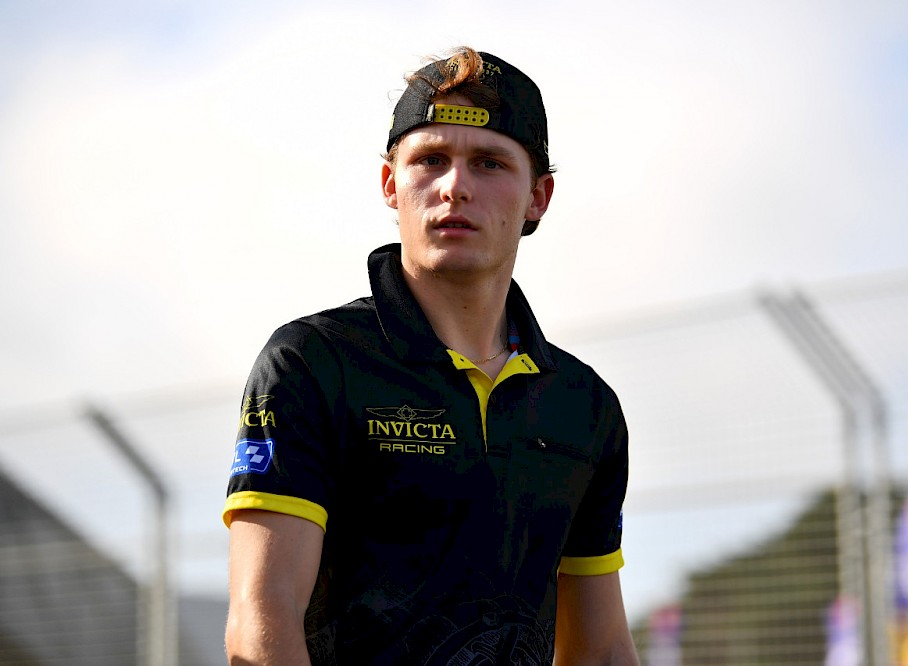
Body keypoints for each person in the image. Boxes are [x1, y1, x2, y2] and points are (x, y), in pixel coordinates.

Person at [223, 46, 638, 665]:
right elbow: (262, 623)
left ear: (539, 196)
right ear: (391, 184)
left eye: (490, 163)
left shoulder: (584, 406)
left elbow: (600, 651)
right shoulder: (314, 363)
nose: (454, 187)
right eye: (430, 160)